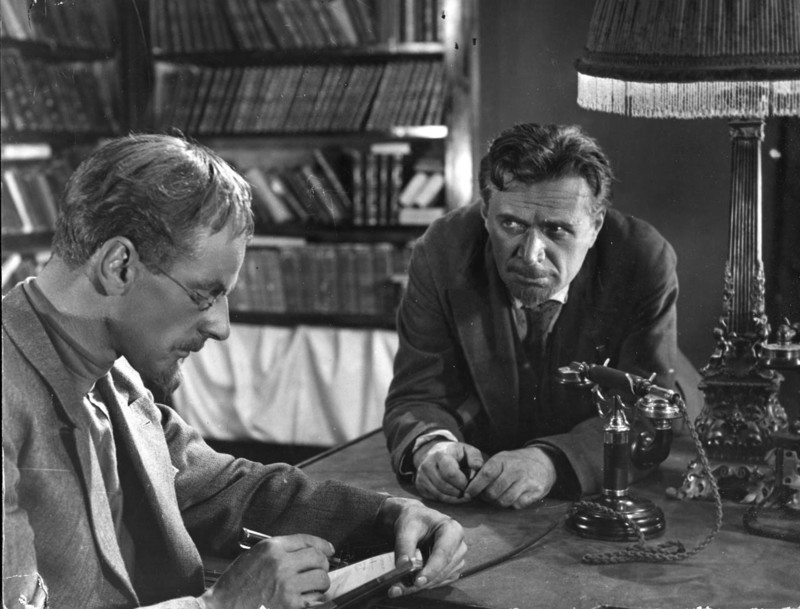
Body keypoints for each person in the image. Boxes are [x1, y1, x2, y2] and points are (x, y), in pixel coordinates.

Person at [2, 134, 466, 609]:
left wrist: (389, 518)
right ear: (119, 266)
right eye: (205, 294)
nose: (221, 327)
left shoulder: (111, 375)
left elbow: (228, 490)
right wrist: (221, 606)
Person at [383, 123, 701, 510]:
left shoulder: (642, 258)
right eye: (511, 224)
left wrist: (550, 463)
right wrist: (432, 447)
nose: (531, 254)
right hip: (482, 477)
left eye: (557, 230)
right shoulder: (441, 252)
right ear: (485, 213)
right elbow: (417, 393)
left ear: (595, 227)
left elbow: (645, 414)